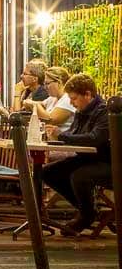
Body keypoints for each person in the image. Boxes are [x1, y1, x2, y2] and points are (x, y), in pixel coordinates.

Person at [41, 74, 112, 234]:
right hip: (87, 159)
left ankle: (86, 215)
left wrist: (61, 135)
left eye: (73, 99)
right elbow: (74, 133)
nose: (72, 103)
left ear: (87, 94)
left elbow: (94, 139)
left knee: (79, 176)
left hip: (108, 163)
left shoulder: (104, 112)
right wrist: (56, 137)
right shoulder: (81, 111)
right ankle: (87, 210)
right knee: (48, 172)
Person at [25, 66, 75, 133]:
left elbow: (50, 120)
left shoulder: (67, 99)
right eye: (44, 84)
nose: (45, 87)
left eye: (47, 83)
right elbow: (39, 105)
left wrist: (33, 104)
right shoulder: (53, 98)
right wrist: (31, 103)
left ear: (59, 82)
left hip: (64, 141)